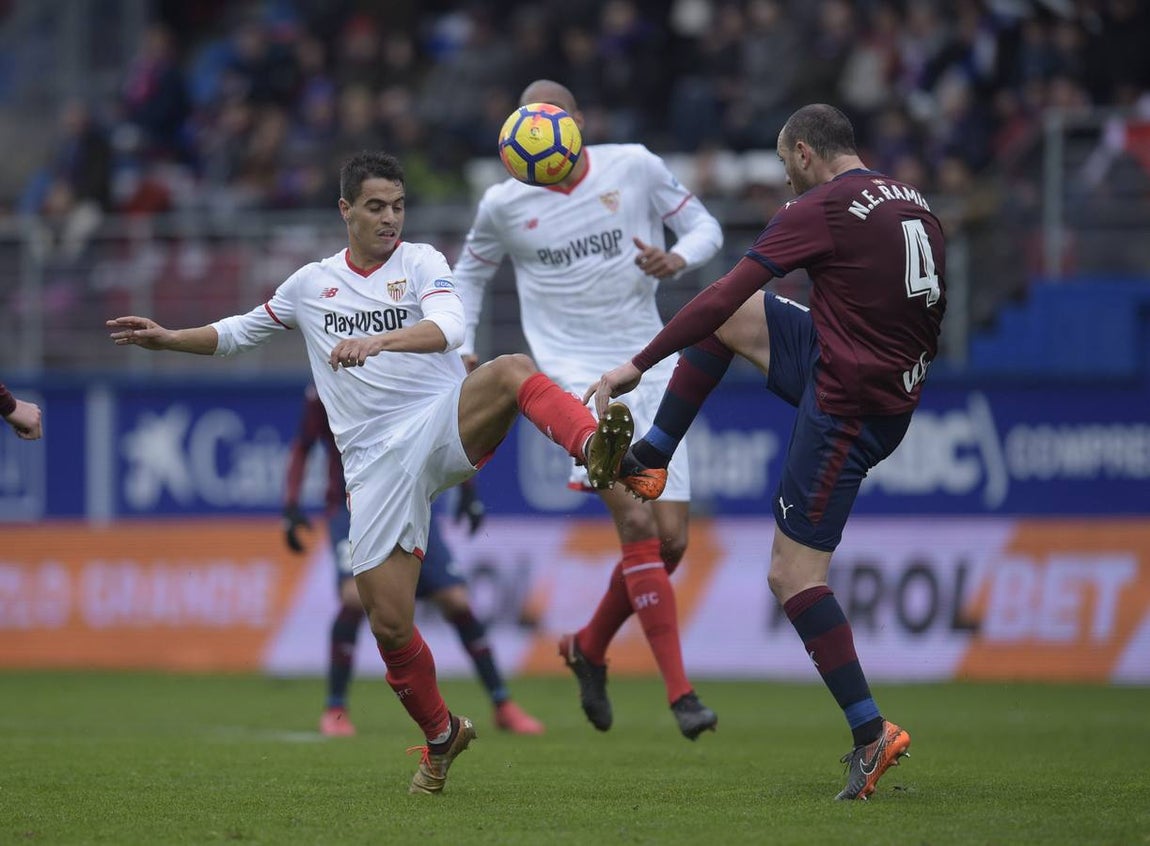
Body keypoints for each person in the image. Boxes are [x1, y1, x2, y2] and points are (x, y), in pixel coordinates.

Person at [108, 150, 634, 795]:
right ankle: (442, 737)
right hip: (374, 464)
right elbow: (238, 333)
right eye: (377, 207)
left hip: (439, 421)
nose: (391, 219)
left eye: (399, 206)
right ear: (346, 210)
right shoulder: (310, 284)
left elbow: (449, 326)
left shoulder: (422, 263)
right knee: (387, 623)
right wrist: (168, 338)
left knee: (510, 369)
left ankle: (593, 446)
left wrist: (379, 341)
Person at [588, 104, 946, 800]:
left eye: (787, 168)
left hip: (849, 405)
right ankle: (657, 450)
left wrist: (636, 365)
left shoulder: (823, 207)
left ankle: (871, 733)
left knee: (792, 574)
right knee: (736, 320)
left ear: (807, 153)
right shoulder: (914, 202)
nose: (787, 184)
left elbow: (721, 286)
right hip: (872, 373)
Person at [455, 79, 724, 741]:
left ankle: (588, 645)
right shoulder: (502, 204)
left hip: (651, 364)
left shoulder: (632, 166)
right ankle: (681, 694)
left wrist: (678, 256)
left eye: (552, 117)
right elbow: (468, 274)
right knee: (634, 515)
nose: (542, 129)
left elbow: (706, 227)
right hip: (577, 378)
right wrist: (461, 343)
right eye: (528, 120)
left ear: (576, 121)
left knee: (672, 541)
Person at [282, 383, 544, 737]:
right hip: (352, 507)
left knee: (456, 600)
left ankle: (503, 705)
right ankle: (335, 710)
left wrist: (469, 494)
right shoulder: (324, 389)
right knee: (353, 598)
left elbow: (447, 431)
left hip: (409, 502)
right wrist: (291, 505)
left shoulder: (400, 374)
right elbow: (302, 445)